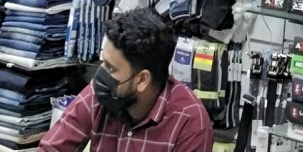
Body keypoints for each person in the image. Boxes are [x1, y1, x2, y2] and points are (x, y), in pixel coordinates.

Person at [39, 8, 213, 151]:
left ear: (142, 80)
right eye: (104, 63)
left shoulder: (190, 124)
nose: (101, 74)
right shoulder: (100, 94)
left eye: (111, 68)